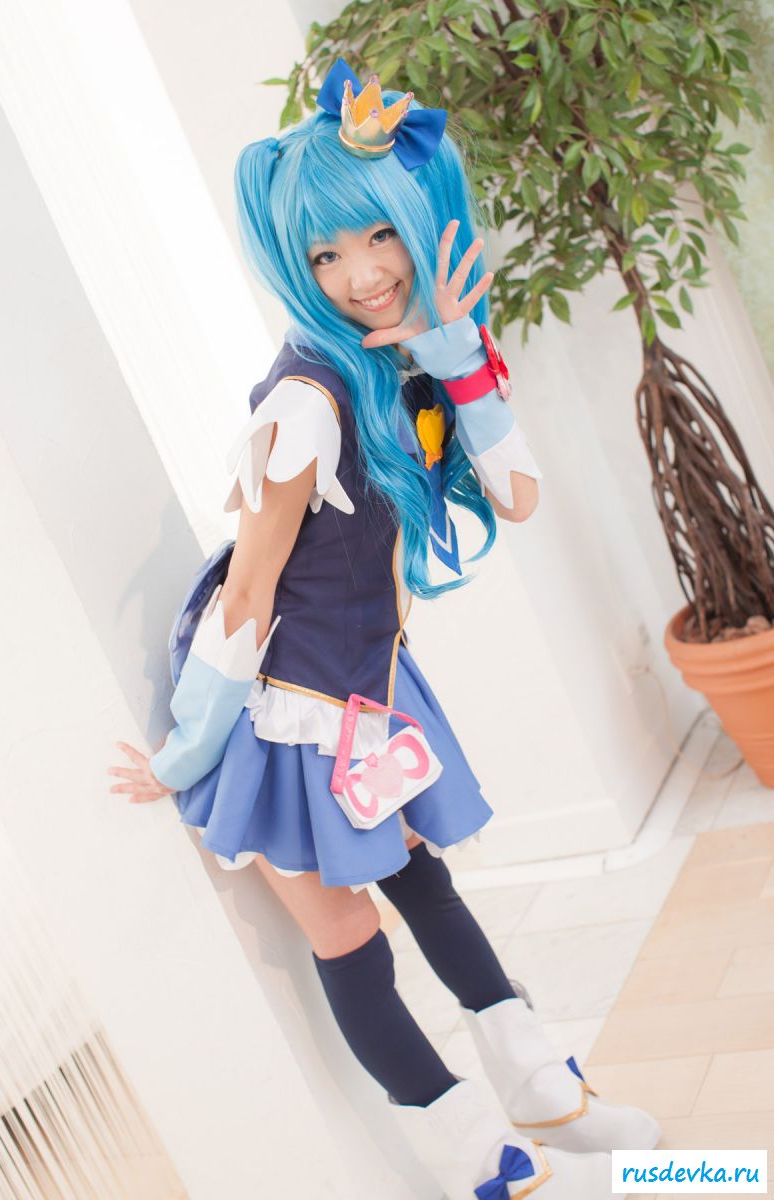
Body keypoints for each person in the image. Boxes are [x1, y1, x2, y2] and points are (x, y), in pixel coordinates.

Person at [108, 57, 659, 1200]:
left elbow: (517, 496)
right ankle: (488, 1162)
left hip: (368, 688)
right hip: (276, 714)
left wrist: (459, 358)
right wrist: (183, 754)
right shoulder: (302, 402)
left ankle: (545, 1094)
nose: (358, 274)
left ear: (418, 221)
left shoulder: (414, 358)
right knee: (347, 932)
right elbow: (246, 593)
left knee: (421, 880)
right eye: (323, 254)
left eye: (374, 237)